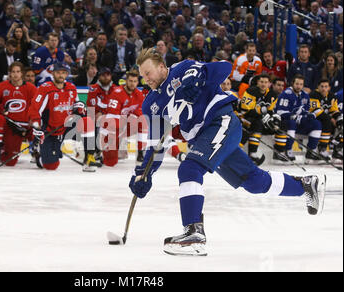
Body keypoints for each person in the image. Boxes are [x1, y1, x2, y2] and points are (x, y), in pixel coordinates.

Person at [129, 49, 326, 256]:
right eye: (142, 75)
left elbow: (224, 68)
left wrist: (199, 79)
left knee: (189, 168)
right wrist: (144, 174)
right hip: (204, 138)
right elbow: (156, 145)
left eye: (148, 73)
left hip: (220, 121)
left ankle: (194, 232)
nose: (146, 79)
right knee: (254, 182)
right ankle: (305, 186)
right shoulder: (151, 104)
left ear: (161, 67)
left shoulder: (184, 68)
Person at [28, 62, 96, 172]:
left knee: (87, 121)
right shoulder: (45, 89)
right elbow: (35, 109)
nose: (61, 75)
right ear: (53, 73)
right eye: (58, 72)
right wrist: (37, 127)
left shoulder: (71, 88)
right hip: (50, 130)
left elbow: (77, 104)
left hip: (65, 127)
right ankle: (39, 155)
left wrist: (80, 107)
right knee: (51, 165)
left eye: (63, 73)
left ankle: (89, 158)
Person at [0, 62, 37, 167]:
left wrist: (32, 120)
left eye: (18, 71)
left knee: (10, 162)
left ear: (22, 73)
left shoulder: (31, 88)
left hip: (24, 127)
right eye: (13, 72)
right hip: (10, 126)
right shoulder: (1, 86)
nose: (15, 74)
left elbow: (37, 107)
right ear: (9, 74)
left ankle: (37, 151)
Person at [100, 69, 147, 166]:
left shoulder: (139, 95)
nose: (132, 84)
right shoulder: (117, 93)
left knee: (143, 120)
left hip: (124, 126)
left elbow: (140, 114)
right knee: (111, 162)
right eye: (130, 81)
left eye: (134, 81)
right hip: (111, 128)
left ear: (138, 82)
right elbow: (112, 119)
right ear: (126, 81)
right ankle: (101, 150)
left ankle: (141, 152)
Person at [274, 75, 323, 164]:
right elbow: (280, 112)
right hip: (286, 122)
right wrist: (293, 116)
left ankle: (310, 152)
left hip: (299, 122)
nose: (299, 86)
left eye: (301, 84)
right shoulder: (286, 94)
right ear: (292, 83)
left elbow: (306, 110)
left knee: (316, 124)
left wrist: (309, 115)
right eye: (297, 84)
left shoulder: (305, 95)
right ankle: (288, 150)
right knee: (291, 123)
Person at [237, 74, 278, 165]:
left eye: (266, 82)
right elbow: (246, 110)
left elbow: (270, 110)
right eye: (261, 82)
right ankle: (237, 150)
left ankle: (252, 153)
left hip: (258, 119)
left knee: (274, 124)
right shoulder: (251, 91)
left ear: (269, 84)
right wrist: (263, 115)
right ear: (257, 83)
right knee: (251, 123)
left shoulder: (272, 95)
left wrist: (270, 118)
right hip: (244, 117)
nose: (263, 84)